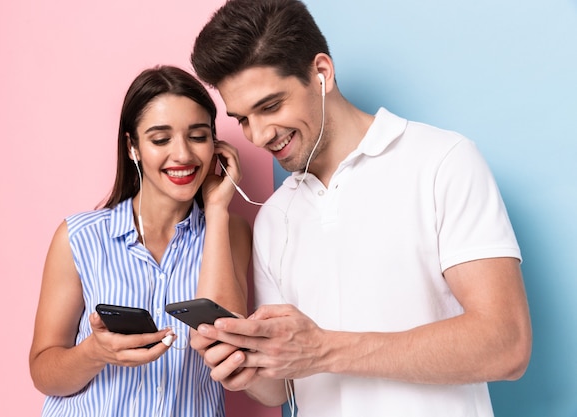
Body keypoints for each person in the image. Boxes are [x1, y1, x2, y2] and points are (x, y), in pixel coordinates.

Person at [188, 1, 532, 416]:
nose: (258, 135)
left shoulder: (443, 161)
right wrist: (246, 367)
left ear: (321, 73)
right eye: (242, 119)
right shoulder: (274, 217)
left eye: (270, 106)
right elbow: (279, 391)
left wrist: (325, 350)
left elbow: (507, 344)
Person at [29, 65, 251, 417]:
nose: (182, 155)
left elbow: (229, 346)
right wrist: (95, 352)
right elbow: (43, 373)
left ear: (215, 144)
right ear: (132, 147)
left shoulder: (229, 231)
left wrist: (218, 207)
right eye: (161, 139)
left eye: (197, 136)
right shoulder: (81, 238)